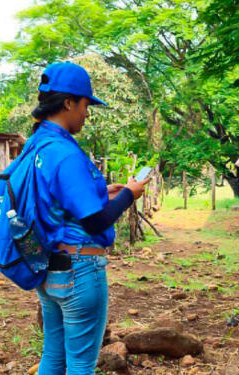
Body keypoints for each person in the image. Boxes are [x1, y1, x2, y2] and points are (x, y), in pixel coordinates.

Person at [29, 61, 149, 374]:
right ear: (68, 102)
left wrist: (101, 192)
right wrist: (128, 194)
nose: (86, 113)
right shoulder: (66, 152)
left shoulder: (36, 145)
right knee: (81, 363)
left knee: (53, 358)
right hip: (79, 270)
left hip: (47, 267)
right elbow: (95, 223)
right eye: (85, 104)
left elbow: (54, 199)